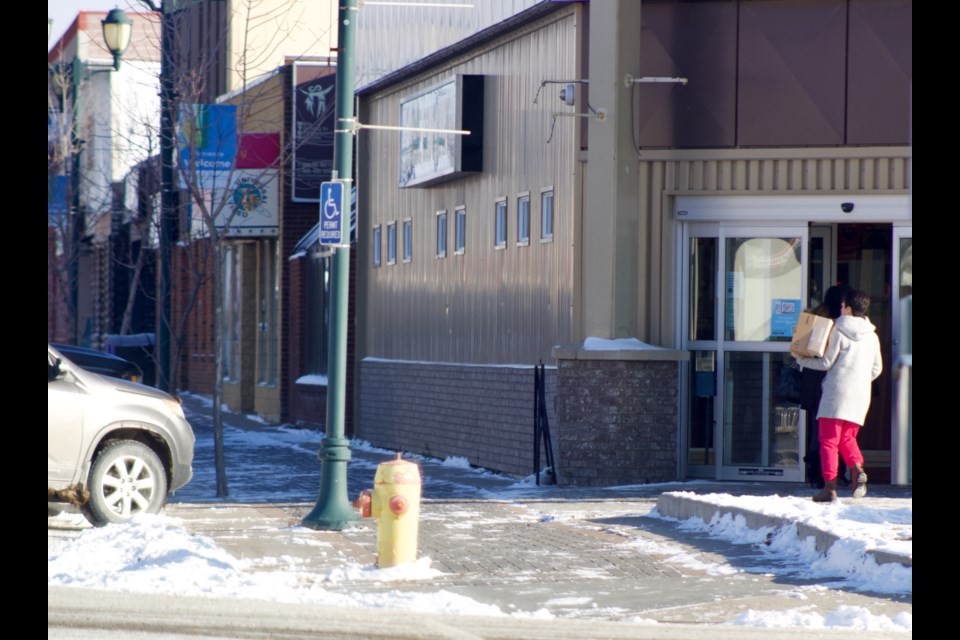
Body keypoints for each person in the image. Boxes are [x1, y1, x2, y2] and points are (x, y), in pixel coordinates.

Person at [792, 289, 882, 502]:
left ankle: (829, 488)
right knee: (847, 437)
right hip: (860, 395)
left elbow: (825, 363)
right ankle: (857, 469)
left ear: (848, 308)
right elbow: (877, 369)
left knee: (828, 440)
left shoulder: (838, 331)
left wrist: (801, 359)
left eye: (843, 306)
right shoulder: (872, 335)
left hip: (836, 393)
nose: (840, 309)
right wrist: (858, 380)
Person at [798, 284, 852, 489]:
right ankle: (835, 473)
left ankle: (818, 473)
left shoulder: (816, 318)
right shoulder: (841, 325)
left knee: (818, 430)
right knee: (839, 430)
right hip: (832, 380)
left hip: (814, 380)